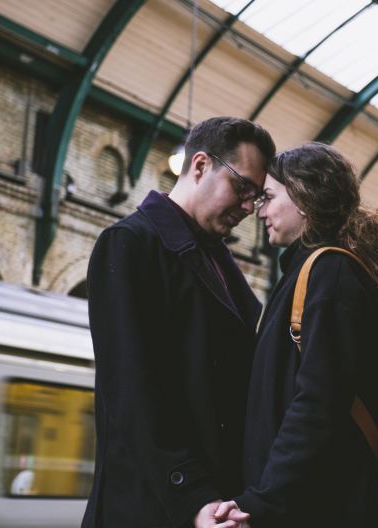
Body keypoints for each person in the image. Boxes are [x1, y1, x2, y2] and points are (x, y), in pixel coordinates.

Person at [82, 116, 275, 528]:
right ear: (201, 165)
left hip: (212, 506)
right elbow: (132, 387)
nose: (248, 207)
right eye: (243, 187)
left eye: (257, 197)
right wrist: (191, 496)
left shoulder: (219, 260)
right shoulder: (130, 244)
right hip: (153, 507)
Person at [222, 142, 378, 527]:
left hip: (314, 508)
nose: (259, 210)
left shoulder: (331, 274)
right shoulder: (310, 273)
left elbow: (319, 402)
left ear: (304, 198)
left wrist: (262, 501)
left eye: (269, 197)